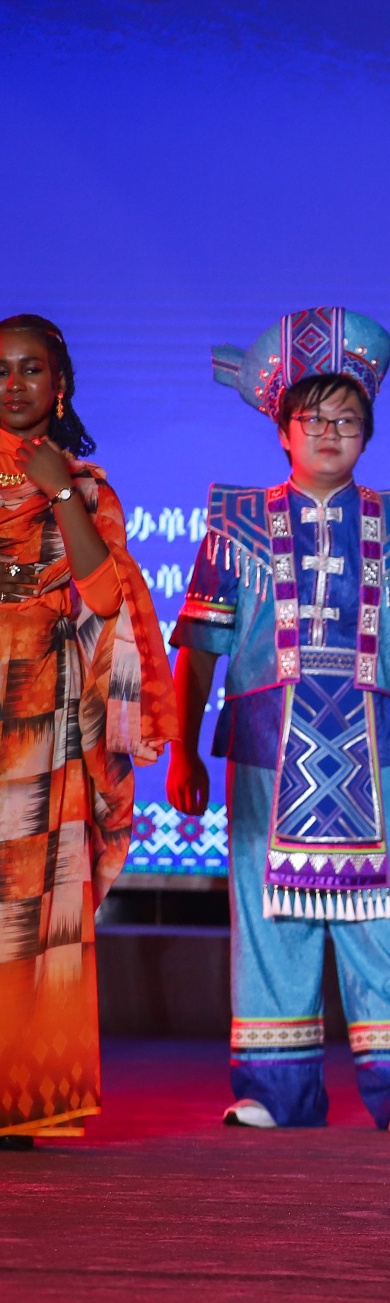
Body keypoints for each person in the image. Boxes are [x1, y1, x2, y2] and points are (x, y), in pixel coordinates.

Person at [166, 308, 390, 1133]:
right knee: (271, 923)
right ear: (283, 432)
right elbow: (201, 646)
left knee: (386, 922)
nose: (330, 432)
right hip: (268, 753)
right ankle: (274, 1090)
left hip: (381, 753)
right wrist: (183, 750)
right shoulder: (233, 523)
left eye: (346, 419)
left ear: (368, 431)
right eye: (313, 418)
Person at [0, 315, 177, 1146]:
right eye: (0, 371)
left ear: (59, 383)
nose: (14, 384)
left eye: (31, 369)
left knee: (35, 914)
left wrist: (60, 489)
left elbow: (104, 599)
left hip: (42, 720)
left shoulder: (89, 487)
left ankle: (27, 1091)